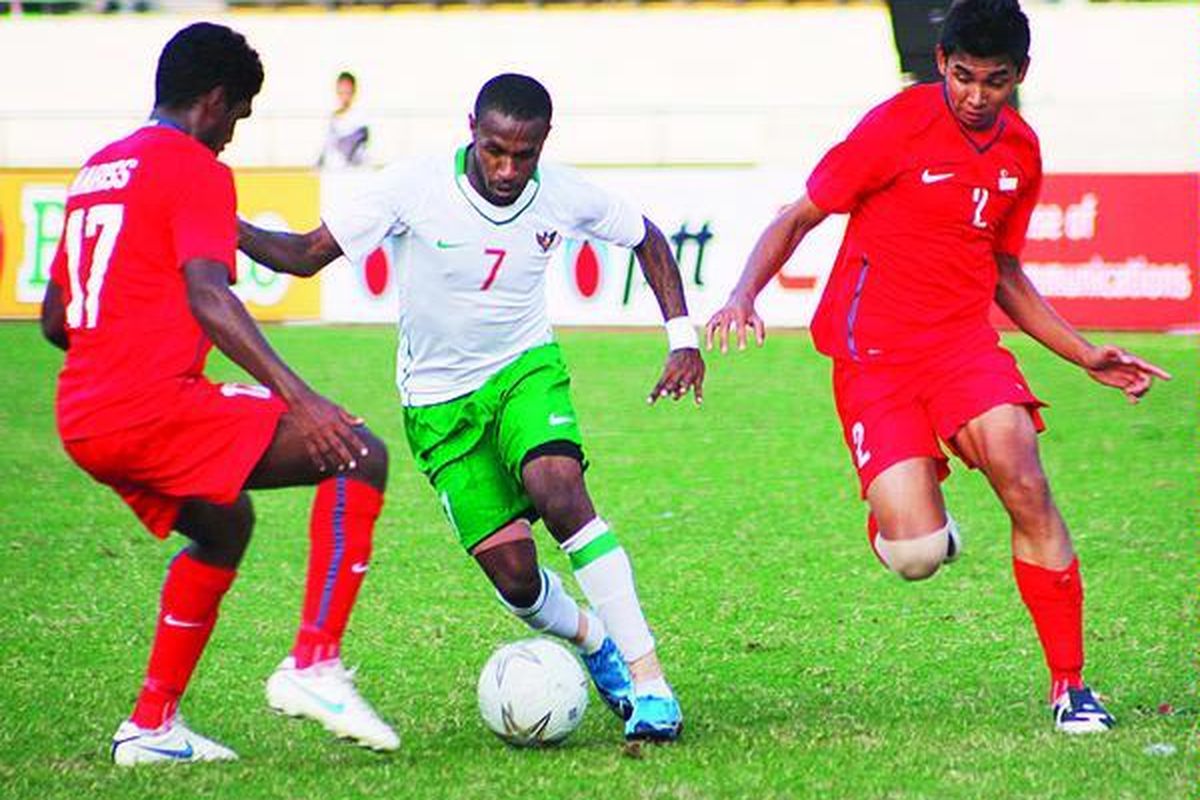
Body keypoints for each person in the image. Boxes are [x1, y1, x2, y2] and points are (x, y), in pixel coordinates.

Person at [705, 0, 1170, 734]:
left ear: (1021, 74)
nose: (978, 96)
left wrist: (1084, 354)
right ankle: (910, 519)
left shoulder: (1022, 151)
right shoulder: (895, 126)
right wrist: (742, 294)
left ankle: (1071, 686)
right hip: (873, 360)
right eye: (964, 77)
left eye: (996, 80)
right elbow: (799, 215)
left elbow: (1004, 270)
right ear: (942, 62)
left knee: (1025, 478)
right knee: (916, 554)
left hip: (962, 349)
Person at [238, 73, 705, 742]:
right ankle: (595, 640)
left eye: (524, 155)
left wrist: (682, 339)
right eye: (495, 151)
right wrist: (223, 225)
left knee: (559, 490)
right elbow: (305, 255)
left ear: (545, 142)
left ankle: (650, 682)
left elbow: (647, 237)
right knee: (517, 582)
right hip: (437, 405)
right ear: (472, 132)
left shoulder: (564, 192)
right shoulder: (413, 186)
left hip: (523, 370)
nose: (508, 170)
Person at [40, 22, 399, 765]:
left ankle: (151, 727)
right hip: (147, 407)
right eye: (238, 114)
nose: (234, 133)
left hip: (82, 418)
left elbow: (54, 320)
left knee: (224, 524)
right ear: (213, 100)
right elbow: (210, 295)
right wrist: (303, 399)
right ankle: (315, 664)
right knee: (357, 451)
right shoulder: (195, 166)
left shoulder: (98, 170)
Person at [317, 71, 370, 170]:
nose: (344, 95)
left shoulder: (360, 117)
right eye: (341, 91)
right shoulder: (333, 117)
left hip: (354, 171)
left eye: (347, 91)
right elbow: (327, 144)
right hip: (334, 171)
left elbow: (355, 143)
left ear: (353, 91)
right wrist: (320, 163)